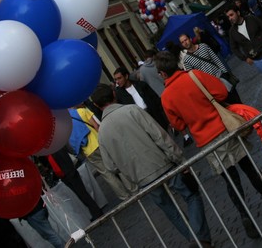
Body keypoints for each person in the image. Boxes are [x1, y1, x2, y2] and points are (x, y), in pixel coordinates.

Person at [154, 51, 262, 240]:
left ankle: (244, 215)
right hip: (224, 129)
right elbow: (222, 91)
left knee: (231, 179)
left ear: (163, 73)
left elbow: (178, 125)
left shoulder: (166, 97)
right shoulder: (195, 75)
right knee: (249, 168)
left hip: (206, 141)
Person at [91, 84, 213, 248]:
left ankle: (196, 241)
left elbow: (110, 166)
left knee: (171, 211)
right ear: (114, 94)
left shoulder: (102, 132)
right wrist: (179, 158)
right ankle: (199, 238)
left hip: (142, 178)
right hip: (163, 165)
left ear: (97, 105)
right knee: (191, 195)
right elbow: (159, 136)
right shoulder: (132, 110)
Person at [70, 103, 136, 201]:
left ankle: (124, 196)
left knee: (107, 174)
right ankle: (133, 189)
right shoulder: (82, 111)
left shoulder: (67, 125)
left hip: (88, 151)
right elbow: (96, 126)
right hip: (100, 143)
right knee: (118, 164)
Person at [44, 146, 104, 221]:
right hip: (65, 176)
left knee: (82, 193)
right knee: (80, 195)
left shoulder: (56, 147)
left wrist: (70, 172)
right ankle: (94, 211)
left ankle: (97, 212)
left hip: (69, 173)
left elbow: (65, 159)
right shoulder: (49, 152)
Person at [179, 33, 242, 104]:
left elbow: (216, 59)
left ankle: (249, 114)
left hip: (220, 77)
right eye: (182, 42)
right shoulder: (186, 60)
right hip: (210, 86)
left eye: (185, 40)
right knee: (228, 105)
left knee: (236, 99)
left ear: (190, 39)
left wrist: (225, 73)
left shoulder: (203, 46)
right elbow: (193, 78)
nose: (185, 43)